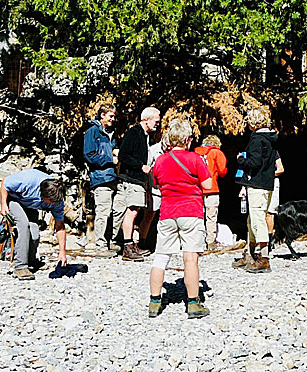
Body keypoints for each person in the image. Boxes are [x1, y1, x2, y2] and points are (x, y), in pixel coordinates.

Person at [148, 118, 212, 319]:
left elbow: (157, 184)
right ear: (188, 140)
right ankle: (193, 303)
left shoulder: (160, 160)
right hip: (191, 211)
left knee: (161, 257)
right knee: (190, 258)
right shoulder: (194, 159)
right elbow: (209, 185)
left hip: (167, 212)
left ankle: (154, 302)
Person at [0, 169, 67, 280]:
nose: (53, 204)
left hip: (31, 206)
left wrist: (62, 252)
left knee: (35, 233)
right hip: (14, 199)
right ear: (42, 194)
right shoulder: (28, 181)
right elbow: (5, 183)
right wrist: (3, 205)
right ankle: (20, 266)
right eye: (50, 202)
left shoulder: (57, 200)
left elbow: (60, 227)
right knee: (23, 225)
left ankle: (32, 260)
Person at [232, 108, 278, 273]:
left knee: (258, 219)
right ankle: (250, 253)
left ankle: (264, 257)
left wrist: (241, 159)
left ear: (252, 122)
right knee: (253, 219)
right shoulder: (271, 139)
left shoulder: (257, 140)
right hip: (267, 183)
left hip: (256, 184)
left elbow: (255, 162)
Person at [113, 106, 160, 261]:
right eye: (156, 120)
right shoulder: (135, 133)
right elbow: (124, 155)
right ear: (147, 119)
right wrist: (140, 166)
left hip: (138, 179)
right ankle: (128, 245)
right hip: (132, 179)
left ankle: (130, 244)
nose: (158, 124)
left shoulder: (144, 135)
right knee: (132, 211)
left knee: (134, 211)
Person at [83, 104, 118, 258]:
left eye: (114, 116)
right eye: (110, 116)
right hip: (100, 177)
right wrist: (111, 158)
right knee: (103, 212)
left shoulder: (110, 133)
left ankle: (110, 242)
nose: (113, 119)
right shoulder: (93, 132)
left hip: (112, 177)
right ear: (102, 115)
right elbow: (89, 154)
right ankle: (101, 246)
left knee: (113, 211)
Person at [194, 135, 228, 251]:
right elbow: (222, 171)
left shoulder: (195, 153)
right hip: (211, 189)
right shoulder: (216, 153)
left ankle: (196, 241)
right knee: (211, 217)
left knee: (196, 216)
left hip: (196, 189)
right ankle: (210, 242)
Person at [265, 152, 285, 245]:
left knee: (270, 212)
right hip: (258, 182)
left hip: (272, 181)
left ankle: (270, 238)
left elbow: (280, 169)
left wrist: (268, 174)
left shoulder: (273, 152)